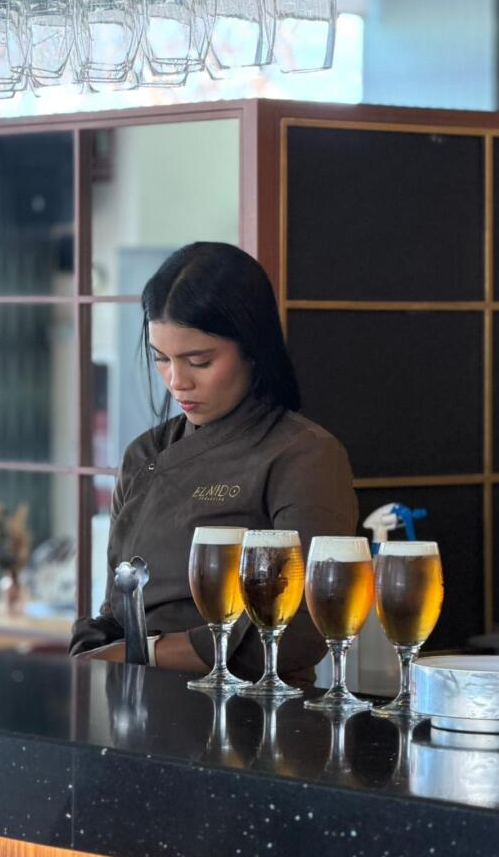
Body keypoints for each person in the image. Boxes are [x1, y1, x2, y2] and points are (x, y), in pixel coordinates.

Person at [69, 242, 358, 683]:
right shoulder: (144, 454)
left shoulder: (303, 455)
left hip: (251, 710)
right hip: (134, 701)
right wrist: (94, 648)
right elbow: (117, 610)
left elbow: (299, 630)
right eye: (161, 359)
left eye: (199, 361)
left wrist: (144, 653)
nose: (176, 382)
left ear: (252, 349)